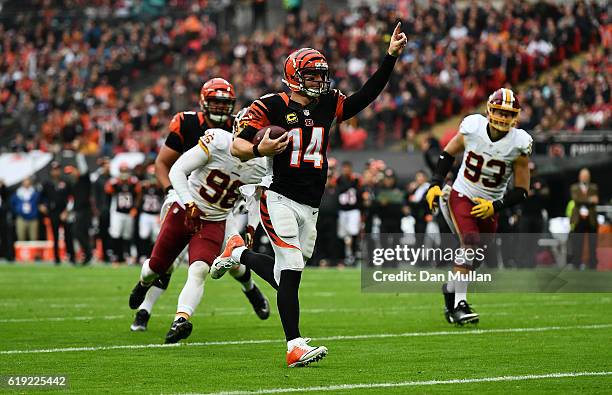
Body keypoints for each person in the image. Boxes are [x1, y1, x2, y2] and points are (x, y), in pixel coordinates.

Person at [211, 23, 407, 367]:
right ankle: (294, 345)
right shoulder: (270, 105)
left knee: (283, 274)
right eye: (312, 75)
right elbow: (239, 145)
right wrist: (260, 148)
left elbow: (365, 96)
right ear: (294, 76)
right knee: (291, 267)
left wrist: (389, 58)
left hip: (311, 203)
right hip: (278, 196)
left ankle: (238, 252)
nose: (320, 81)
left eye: (321, 74)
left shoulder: (329, 102)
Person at [128, 78, 268, 332]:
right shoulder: (201, 130)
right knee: (165, 262)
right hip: (185, 195)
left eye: (224, 104)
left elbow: (257, 197)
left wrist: (251, 228)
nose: (219, 109)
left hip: (225, 209)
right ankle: (144, 310)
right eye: (214, 102)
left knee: (229, 260)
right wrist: (177, 196)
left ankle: (248, 291)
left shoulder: (251, 144)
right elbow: (166, 166)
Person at [426, 87, 532, 325]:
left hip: (490, 203)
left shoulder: (519, 143)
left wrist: (496, 206)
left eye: (508, 114)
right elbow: (448, 153)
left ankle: (450, 291)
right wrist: (434, 183)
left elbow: (523, 190)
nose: (503, 118)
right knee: (470, 242)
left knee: (474, 257)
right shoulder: (473, 127)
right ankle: (460, 305)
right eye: (499, 112)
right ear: (489, 110)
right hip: (462, 193)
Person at [105, 163, 140, 264]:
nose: (124, 174)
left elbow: (139, 194)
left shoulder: (133, 182)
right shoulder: (115, 182)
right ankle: (117, 255)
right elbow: (107, 190)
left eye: (125, 171)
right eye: (122, 171)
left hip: (129, 212)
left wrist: (135, 208)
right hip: (117, 212)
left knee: (127, 235)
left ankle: (126, 255)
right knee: (116, 233)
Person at [40, 162, 74, 264]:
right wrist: (41, 205)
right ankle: (56, 258)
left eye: (57, 169)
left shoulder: (66, 182)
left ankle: (71, 257)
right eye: (54, 169)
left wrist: (67, 211)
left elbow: (71, 198)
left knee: (68, 235)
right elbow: (41, 197)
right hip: (53, 212)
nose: (56, 171)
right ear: (51, 171)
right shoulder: (47, 183)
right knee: (54, 236)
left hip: (64, 211)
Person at [569, 168, 599, 270]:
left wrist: (586, 200)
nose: (585, 177)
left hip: (591, 219)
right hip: (578, 219)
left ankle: (592, 264)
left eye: (587, 176)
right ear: (579, 177)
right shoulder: (574, 187)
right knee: (577, 241)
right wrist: (590, 199)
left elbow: (595, 200)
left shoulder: (594, 187)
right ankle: (576, 263)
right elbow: (577, 199)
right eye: (583, 176)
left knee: (592, 242)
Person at [336, 161, 361, 265]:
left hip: (353, 210)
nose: (346, 170)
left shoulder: (356, 179)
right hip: (342, 210)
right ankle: (343, 256)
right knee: (342, 234)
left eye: (348, 168)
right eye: (344, 168)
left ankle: (353, 255)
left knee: (354, 232)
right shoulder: (339, 180)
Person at [11, 177, 41, 242]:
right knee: (21, 238)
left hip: (33, 218)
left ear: (30, 182)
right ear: (22, 182)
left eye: (28, 180)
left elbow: (39, 203)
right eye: (25, 181)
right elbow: (12, 204)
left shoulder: (35, 192)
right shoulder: (17, 193)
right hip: (21, 218)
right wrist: (17, 211)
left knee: (34, 239)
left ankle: (33, 252)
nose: (26, 182)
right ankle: (22, 252)